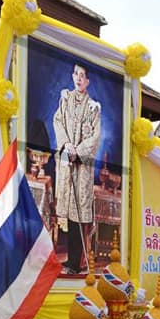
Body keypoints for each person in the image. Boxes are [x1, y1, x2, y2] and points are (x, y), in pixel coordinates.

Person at [53, 62, 101, 275]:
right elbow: (58, 122)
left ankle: (76, 261)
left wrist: (78, 150)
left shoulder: (94, 107)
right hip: (67, 160)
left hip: (82, 166)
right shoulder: (65, 99)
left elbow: (95, 136)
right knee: (66, 208)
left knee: (79, 212)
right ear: (72, 77)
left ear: (88, 81)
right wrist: (66, 145)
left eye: (83, 75)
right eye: (76, 74)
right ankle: (68, 260)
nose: (79, 78)